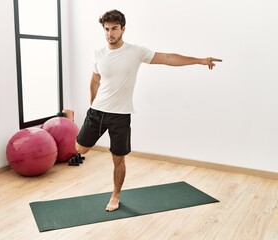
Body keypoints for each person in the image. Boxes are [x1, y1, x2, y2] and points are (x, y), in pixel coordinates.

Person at [75, 9, 222, 212]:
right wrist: (93, 104)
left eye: (114, 29)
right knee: (80, 149)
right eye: (107, 29)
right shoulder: (98, 54)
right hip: (96, 113)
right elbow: (94, 80)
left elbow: (168, 58)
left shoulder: (136, 52)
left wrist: (199, 60)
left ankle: (115, 195)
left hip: (121, 115)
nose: (110, 34)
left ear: (123, 29)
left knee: (118, 158)